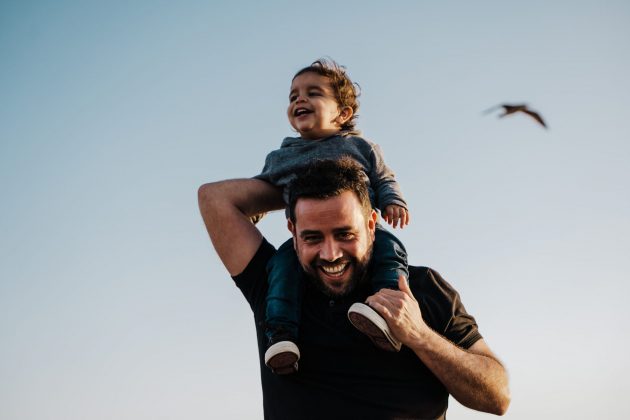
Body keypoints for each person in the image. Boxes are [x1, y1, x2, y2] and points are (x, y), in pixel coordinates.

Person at [198, 157, 510, 419]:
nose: (330, 254)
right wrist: (299, 181)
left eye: (345, 234)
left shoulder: (420, 287)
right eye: (312, 237)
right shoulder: (275, 288)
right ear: (292, 232)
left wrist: (420, 336)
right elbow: (214, 198)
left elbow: (497, 397)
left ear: (372, 224)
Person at [249, 58, 412, 374]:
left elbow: (383, 178)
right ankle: (281, 335)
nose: (300, 100)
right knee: (281, 268)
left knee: (391, 253)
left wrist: (393, 201)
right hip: (310, 237)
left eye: (313, 93)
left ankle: (386, 316)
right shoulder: (281, 156)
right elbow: (262, 188)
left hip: (362, 232)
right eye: (293, 95)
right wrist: (253, 213)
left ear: (343, 113)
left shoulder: (359, 146)